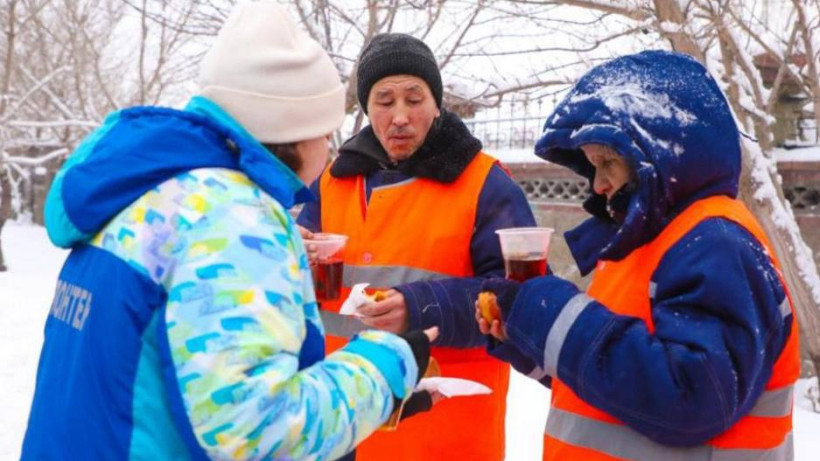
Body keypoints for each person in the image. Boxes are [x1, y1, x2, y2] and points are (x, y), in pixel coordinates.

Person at [21, 3, 438, 460]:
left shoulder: (147, 192)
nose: (328, 149)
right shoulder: (233, 222)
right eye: (325, 134)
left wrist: (372, 406)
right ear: (294, 132)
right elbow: (257, 432)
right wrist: (382, 368)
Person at [477, 50, 799, 460]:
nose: (597, 185)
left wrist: (550, 314)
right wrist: (528, 335)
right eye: (592, 166)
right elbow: (613, 385)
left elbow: (693, 397)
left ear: (663, 151)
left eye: (608, 161)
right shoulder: (646, 242)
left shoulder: (716, 245)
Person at [297, 33, 536, 460]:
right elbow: (299, 291)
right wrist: (291, 253)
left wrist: (420, 306)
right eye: (384, 101)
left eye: (414, 98)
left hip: (445, 435)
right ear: (367, 108)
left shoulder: (486, 185)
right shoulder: (332, 183)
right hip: (346, 428)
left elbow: (523, 302)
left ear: (436, 103)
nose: (400, 117)